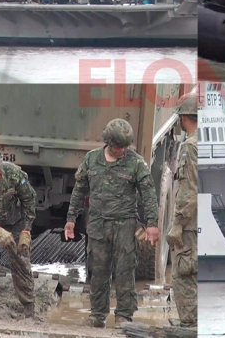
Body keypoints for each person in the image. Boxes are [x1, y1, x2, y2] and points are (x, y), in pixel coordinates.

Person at [64, 119, 160, 329]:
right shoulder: (91, 159)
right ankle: (97, 315)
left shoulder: (136, 163)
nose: (122, 150)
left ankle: (124, 316)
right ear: (108, 142)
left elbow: (149, 194)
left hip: (125, 225)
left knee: (125, 272)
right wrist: (71, 219)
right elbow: (79, 190)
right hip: (98, 225)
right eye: (118, 146)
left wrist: (152, 223)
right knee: (97, 272)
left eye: (126, 146)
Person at [0, 154, 37, 318]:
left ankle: (29, 309)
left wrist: (26, 230)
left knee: (21, 258)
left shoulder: (13, 173)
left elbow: (29, 200)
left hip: (13, 220)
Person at [166, 92, 198, 328]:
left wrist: (177, 223)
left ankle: (190, 324)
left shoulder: (190, 146)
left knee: (183, 275)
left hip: (189, 226)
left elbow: (188, 189)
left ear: (184, 117)